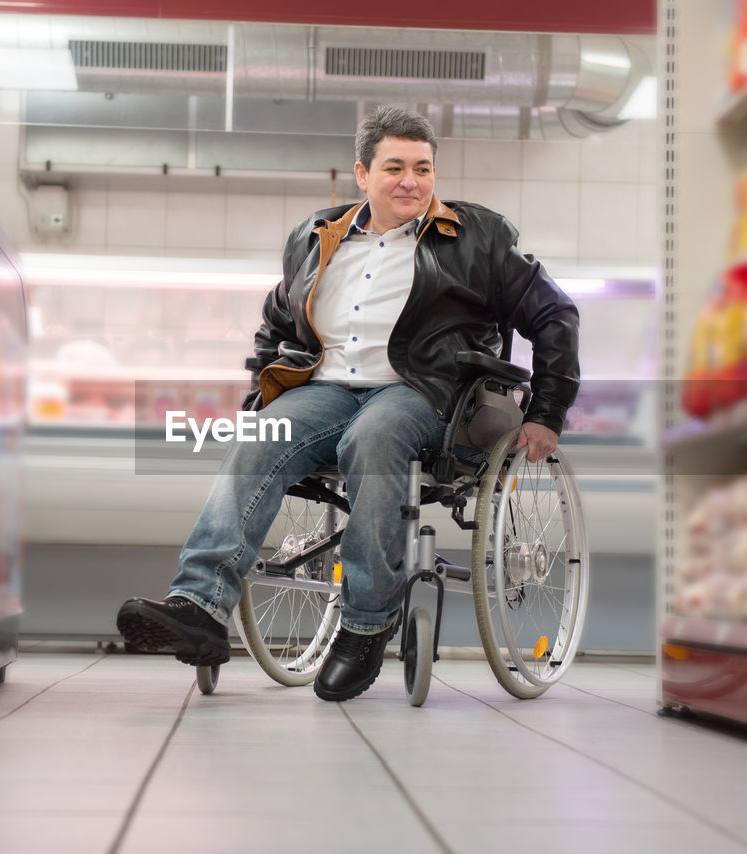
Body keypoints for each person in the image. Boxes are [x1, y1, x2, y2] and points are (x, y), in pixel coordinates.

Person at [118, 105, 580, 702]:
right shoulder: (317, 235)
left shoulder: (479, 236)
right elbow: (279, 319)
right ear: (362, 174)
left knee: (375, 436)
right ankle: (200, 605)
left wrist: (547, 412)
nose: (410, 181)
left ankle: (365, 624)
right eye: (394, 167)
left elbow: (554, 314)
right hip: (325, 390)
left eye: (422, 167)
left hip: (427, 392)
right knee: (258, 436)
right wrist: (263, 386)